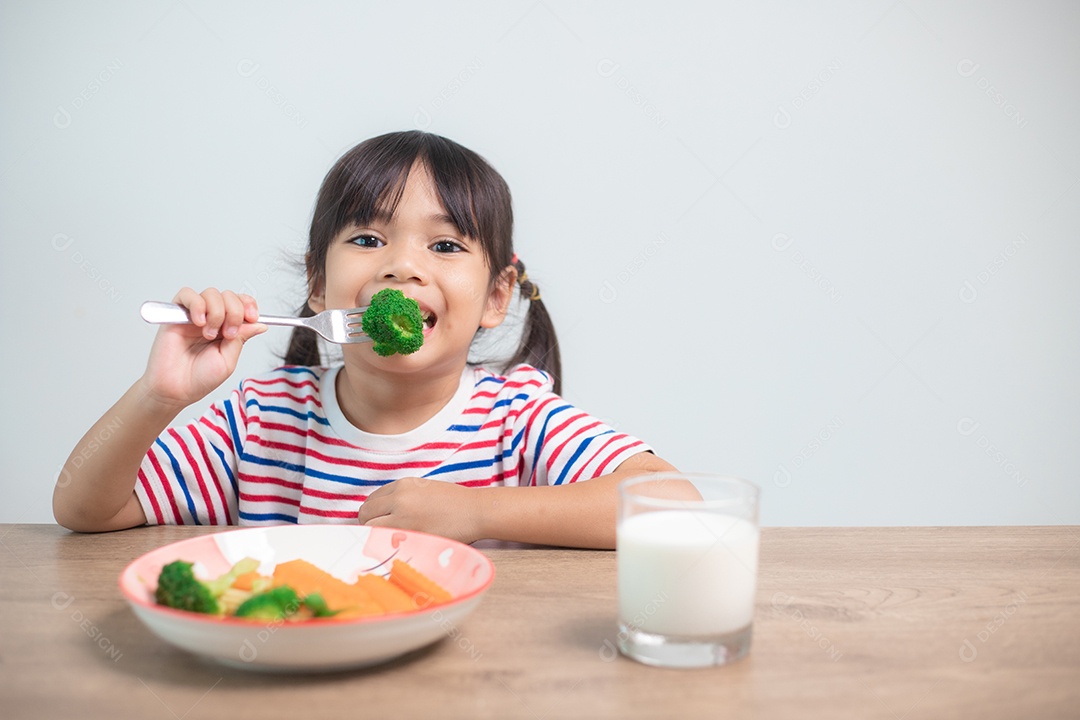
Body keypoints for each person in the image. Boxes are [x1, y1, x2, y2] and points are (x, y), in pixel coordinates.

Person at [52, 130, 675, 548]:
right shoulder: (262, 421)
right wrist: (159, 395)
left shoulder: (516, 417)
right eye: (368, 239)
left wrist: (478, 512)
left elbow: (672, 502)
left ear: (496, 296)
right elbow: (84, 511)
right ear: (319, 284)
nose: (402, 266)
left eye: (445, 245)